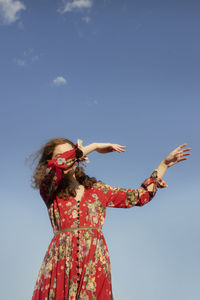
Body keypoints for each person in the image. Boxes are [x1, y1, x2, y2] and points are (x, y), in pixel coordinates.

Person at [30, 138, 191, 300]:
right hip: (61, 259)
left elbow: (138, 197)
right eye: (60, 154)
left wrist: (163, 165)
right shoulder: (50, 189)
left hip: (94, 260)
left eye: (69, 152)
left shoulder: (97, 190)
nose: (67, 157)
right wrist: (94, 146)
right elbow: (60, 164)